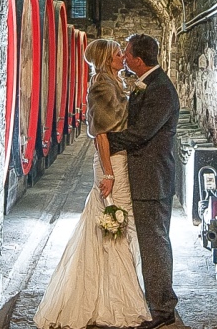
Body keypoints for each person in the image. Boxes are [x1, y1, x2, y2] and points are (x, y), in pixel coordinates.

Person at [33, 39, 151, 329]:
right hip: (111, 163)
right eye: (117, 54)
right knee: (114, 223)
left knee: (113, 224)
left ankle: (109, 295)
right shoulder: (101, 86)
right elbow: (101, 134)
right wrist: (108, 175)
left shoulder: (115, 82)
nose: (122, 56)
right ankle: (113, 301)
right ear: (105, 59)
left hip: (118, 160)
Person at [107, 34, 180, 329]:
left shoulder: (160, 89)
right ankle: (155, 301)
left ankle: (163, 309)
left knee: (155, 243)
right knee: (150, 242)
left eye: (127, 53)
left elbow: (141, 133)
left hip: (153, 179)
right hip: (145, 176)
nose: (124, 57)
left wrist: (105, 140)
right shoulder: (148, 84)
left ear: (139, 60)